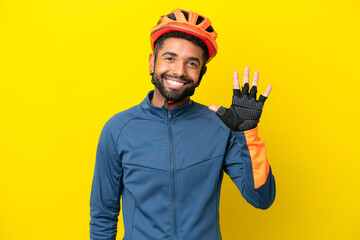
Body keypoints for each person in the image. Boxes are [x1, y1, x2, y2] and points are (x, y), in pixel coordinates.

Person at [90, 9, 276, 240]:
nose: (179, 71)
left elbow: (261, 198)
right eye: (170, 58)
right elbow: (103, 215)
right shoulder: (118, 129)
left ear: (202, 72)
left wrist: (246, 133)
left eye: (191, 63)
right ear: (152, 62)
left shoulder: (219, 126)